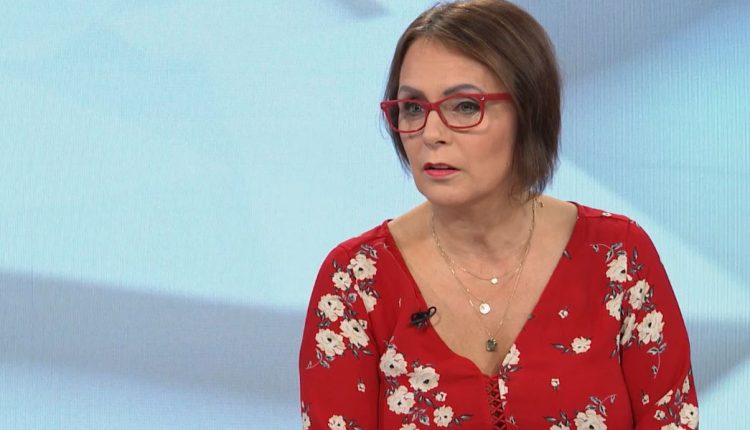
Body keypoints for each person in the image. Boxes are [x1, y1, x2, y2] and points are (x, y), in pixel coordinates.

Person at [298, 0, 699, 428]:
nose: (431, 134)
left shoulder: (618, 257)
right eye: (413, 107)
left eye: (464, 106)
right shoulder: (356, 281)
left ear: (529, 112)